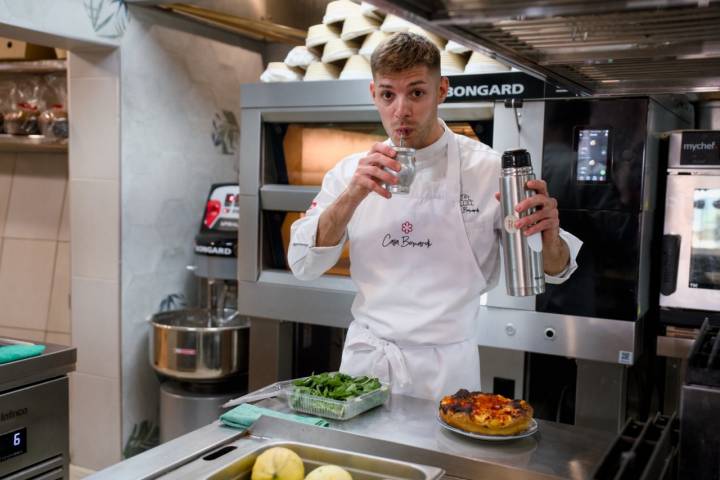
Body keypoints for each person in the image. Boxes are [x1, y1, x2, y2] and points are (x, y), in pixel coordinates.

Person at [287, 32, 582, 401]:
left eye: (416, 93)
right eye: (387, 95)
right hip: (365, 371)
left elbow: (554, 268)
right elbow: (302, 263)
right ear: (373, 94)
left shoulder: (488, 170)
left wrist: (549, 234)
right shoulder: (351, 173)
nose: (401, 111)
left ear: (442, 90)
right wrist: (352, 195)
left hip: (446, 373)